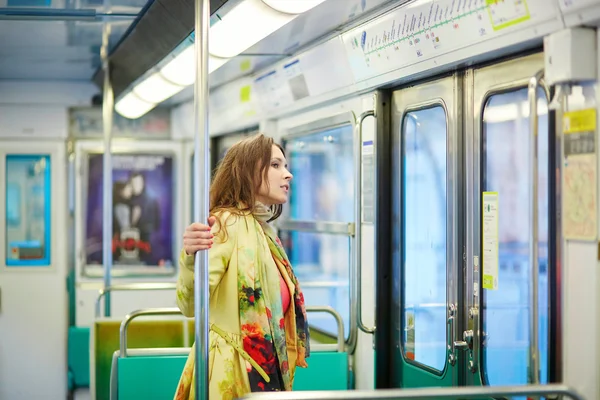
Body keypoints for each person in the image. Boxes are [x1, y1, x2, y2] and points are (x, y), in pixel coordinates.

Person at [174, 134, 310, 400]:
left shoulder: (264, 230)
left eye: (285, 165)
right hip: (231, 371)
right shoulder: (227, 223)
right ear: (248, 171)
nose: (288, 174)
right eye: (275, 165)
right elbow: (190, 305)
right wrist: (190, 256)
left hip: (264, 365)